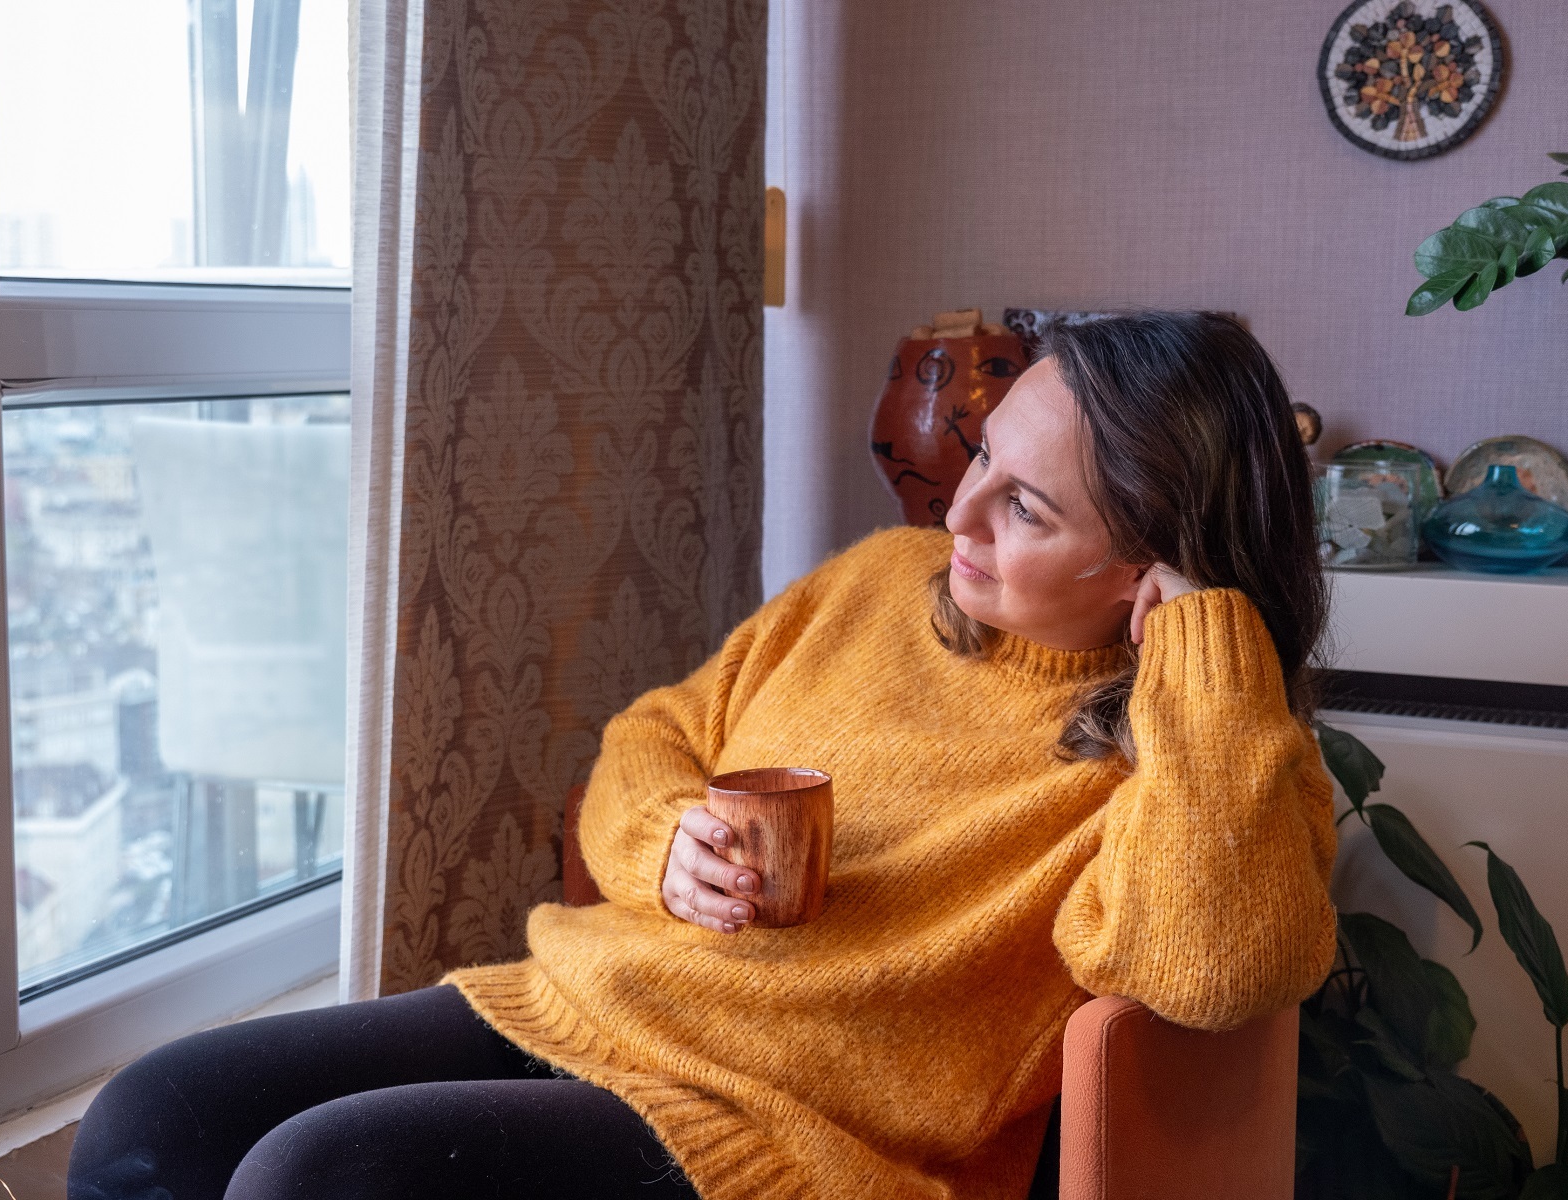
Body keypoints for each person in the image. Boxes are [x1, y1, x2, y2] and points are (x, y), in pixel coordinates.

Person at [68, 311, 1338, 1200]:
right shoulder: (880, 583)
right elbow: (657, 734)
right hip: (592, 1003)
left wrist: (1207, 654)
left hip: (785, 1137)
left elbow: (1209, 970)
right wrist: (662, 840)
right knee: (153, 1116)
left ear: (1154, 566)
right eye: (985, 455)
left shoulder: (1205, 763)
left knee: (315, 1179)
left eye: (1025, 508)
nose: (957, 511)